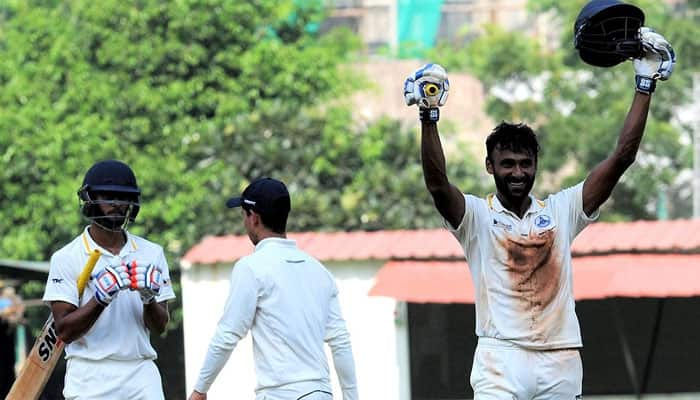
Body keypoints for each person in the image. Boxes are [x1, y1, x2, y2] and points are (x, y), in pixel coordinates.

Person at [403, 28, 675, 398]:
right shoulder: (476, 218)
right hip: (500, 358)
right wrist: (428, 115)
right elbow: (437, 184)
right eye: (508, 164)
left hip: (560, 357)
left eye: (525, 164)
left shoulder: (562, 211)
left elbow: (621, 159)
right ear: (490, 166)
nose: (518, 173)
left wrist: (645, 84)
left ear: (536, 166)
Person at [189, 177, 358, 400]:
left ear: (254, 218)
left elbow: (227, 335)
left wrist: (200, 390)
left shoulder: (251, 268)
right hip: (321, 393)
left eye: (243, 215)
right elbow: (340, 341)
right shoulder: (319, 271)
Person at [42, 159, 175, 400]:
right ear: (91, 199)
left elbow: (160, 326)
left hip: (140, 372)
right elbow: (64, 331)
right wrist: (100, 299)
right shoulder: (67, 257)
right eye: (107, 197)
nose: (116, 205)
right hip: (89, 375)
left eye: (122, 198)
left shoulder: (151, 253)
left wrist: (148, 298)